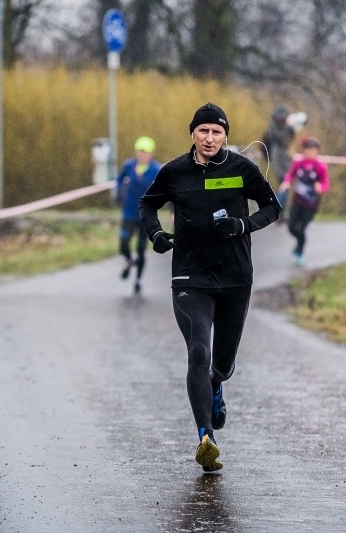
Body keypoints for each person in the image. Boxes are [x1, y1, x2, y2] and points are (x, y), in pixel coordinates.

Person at [138, 102, 282, 472]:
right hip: (191, 278)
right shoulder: (175, 171)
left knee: (223, 364)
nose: (209, 137)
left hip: (235, 279)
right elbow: (147, 205)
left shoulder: (241, 169)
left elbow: (272, 208)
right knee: (198, 352)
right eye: (203, 130)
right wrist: (156, 233)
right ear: (193, 134)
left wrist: (242, 225)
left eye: (217, 132)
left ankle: (217, 384)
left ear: (225, 137)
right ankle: (206, 438)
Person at [116, 136, 162, 295]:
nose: (142, 155)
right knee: (123, 244)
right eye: (140, 151)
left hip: (145, 216)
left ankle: (138, 281)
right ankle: (128, 260)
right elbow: (118, 180)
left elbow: (165, 188)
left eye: (145, 152)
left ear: (151, 153)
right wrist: (119, 192)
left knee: (141, 250)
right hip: (129, 213)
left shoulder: (156, 170)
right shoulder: (129, 165)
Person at [278, 137, 330, 266]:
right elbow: (290, 175)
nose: (311, 152)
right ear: (304, 150)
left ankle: (300, 252)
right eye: (309, 150)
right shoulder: (298, 163)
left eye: (314, 150)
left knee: (301, 229)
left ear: (317, 151)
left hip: (311, 204)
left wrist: (321, 187)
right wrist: (286, 182)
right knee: (291, 227)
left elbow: (326, 184)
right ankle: (299, 243)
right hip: (297, 201)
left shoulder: (320, 167)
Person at [262, 106, 296, 212]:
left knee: (285, 185)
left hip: (285, 158)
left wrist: (292, 127)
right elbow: (280, 138)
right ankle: (277, 209)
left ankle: (280, 210)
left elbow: (291, 136)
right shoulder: (274, 128)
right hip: (278, 159)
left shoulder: (285, 128)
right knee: (284, 184)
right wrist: (288, 127)